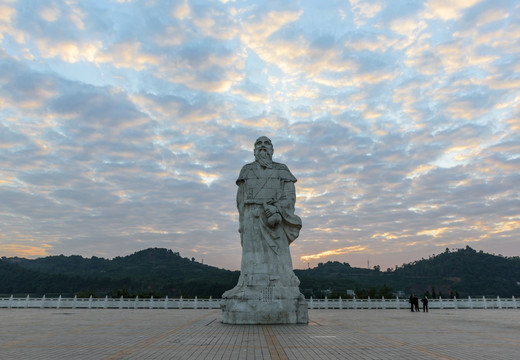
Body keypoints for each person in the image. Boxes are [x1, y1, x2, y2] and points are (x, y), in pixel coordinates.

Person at [223, 136, 303, 292]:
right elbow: (240, 200)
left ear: (272, 150)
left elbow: (290, 197)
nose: (263, 146)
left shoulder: (282, 170)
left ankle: (283, 287)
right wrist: (243, 222)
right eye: (259, 144)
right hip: (251, 217)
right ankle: (247, 285)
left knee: (278, 253)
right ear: (254, 151)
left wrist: (277, 208)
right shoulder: (246, 170)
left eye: (267, 144)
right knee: (252, 255)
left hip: (274, 217)